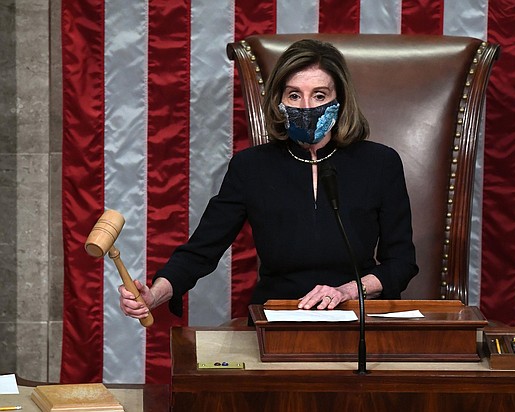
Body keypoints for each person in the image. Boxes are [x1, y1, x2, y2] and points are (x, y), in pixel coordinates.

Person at [119, 38, 418, 322]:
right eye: (294, 95)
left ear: (339, 99)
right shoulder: (252, 167)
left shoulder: (380, 163)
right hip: (278, 316)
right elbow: (202, 250)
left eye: (319, 95)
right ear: (279, 101)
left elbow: (401, 263)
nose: (306, 107)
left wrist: (346, 291)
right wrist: (155, 294)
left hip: (357, 315)